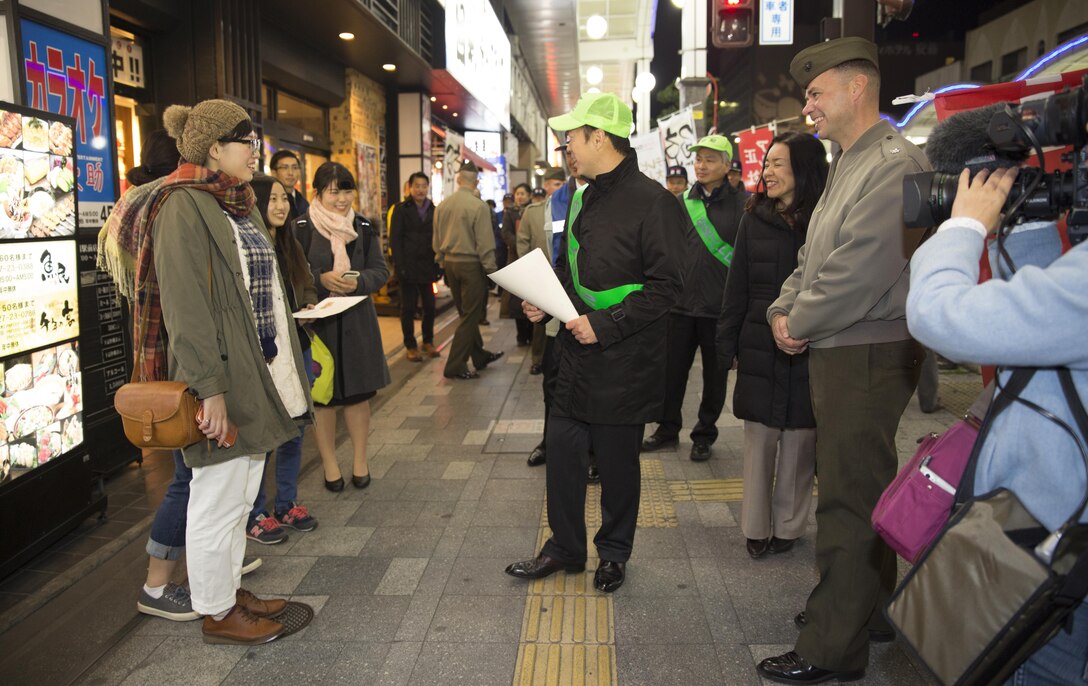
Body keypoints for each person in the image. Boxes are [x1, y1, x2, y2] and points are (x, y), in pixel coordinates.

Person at [757, 38, 930, 683]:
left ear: (857, 88)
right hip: (841, 343)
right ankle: (868, 608)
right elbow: (812, 259)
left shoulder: (893, 164)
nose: (809, 107)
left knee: (848, 501)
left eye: (816, 93)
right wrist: (783, 308)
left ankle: (832, 648)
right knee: (863, 487)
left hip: (865, 350)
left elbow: (859, 271)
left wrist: (795, 322)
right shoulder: (851, 161)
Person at [906, 167, 1088, 686]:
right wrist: (1028, 223)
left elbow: (940, 315)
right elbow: (1039, 316)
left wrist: (964, 227)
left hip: (1056, 552)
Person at [506, 92, 685, 593]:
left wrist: (604, 324)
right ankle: (564, 547)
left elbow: (669, 287)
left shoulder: (656, 203)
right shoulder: (583, 195)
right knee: (562, 456)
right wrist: (545, 300)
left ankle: (613, 553)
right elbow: (571, 269)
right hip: (573, 357)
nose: (567, 148)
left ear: (600, 137)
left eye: (572, 139)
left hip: (624, 359)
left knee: (616, 466)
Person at [153, 100, 311, 644]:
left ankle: (225, 591)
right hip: (222, 378)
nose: (256, 152)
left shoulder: (235, 203)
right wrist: (209, 391)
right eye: (247, 142)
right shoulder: (182, 206)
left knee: (242, 493)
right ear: (215, 148)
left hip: (255, 373)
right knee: (217, 496)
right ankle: (217, 613)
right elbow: (186, 308)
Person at [103, 129, 264, 623]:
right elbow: (183, 302)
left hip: (180, 362)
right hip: (185, 368)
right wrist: (207, 381)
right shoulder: (170, 206)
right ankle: (160, 584)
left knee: (196, 480)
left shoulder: (148, 203)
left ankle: (211, 576)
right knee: (191, 481)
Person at [716, 132, 827, 559]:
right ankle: (756, 527)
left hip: (811, 345)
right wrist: (726, 347)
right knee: (759, 443)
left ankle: (790, 526)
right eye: (767, 163)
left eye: (779, 163)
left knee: (801, 444)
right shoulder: (753, 217)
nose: (768, 172)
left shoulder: (826, 218)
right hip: (760, 344)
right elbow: (736, 288)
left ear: (804, 168)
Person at [642, 134, 746, 461]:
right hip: (679, 306)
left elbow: (745, 258)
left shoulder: (744, 206)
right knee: (671, 372)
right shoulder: (679, 202)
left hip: (720, 309)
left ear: (727, 165)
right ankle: (667, 429)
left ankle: (704, 433)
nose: (701, 165)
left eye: (710, 159)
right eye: (698, 159)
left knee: (715, 377)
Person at [291, 162, 390, 491]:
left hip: (357, 323)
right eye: (334, 191)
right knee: (324, 398)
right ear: (317, 193)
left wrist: (359, 280)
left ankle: (361, 462)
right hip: (319, 326)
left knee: (358, 396)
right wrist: (320, 279)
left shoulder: (362, 226)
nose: (342, 198)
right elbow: (291, 275)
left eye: (347, 190)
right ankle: (330, 465)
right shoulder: (300, 228)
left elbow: (380, 271)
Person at [243, 174, 320, 544]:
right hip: (267, 353)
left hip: (298, 346)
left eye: (284, 199)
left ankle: (286, 502)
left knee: (295, 427)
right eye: (272, 199)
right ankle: (255, 511)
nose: (280, 205)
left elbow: (306, 283)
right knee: (266, 434)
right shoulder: (249, 244)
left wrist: (308, 303)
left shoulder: (290, 243)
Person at [527, 152, 588, 469]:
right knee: (552, 376)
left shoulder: (606, 195)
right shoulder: (557, 199)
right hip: (556, 297)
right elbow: (550, 248)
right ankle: (550, 441)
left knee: (592, 380)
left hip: (593, 306)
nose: (574, 156)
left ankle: (593, 452)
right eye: (569, 150)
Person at [432, 160, 504, 379]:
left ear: (458, 180)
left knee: (465, 313)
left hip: (450, 265)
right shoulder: (478, 206)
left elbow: (436, 241)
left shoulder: (443, 205)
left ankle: (479, 355)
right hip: (471, 265)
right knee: (470, 316)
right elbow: (485, 244)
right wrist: (492, 272)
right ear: (476, 182)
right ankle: (455, 365)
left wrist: (442, 261)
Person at [518, 169, 566, 374]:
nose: (552, 188)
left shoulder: (572, 206)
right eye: (550, 184)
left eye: (557, 184)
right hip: (540, 273)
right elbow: (523, 242)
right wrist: (528, 269)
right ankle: (537, 359)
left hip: (562, 274)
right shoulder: (533, 211)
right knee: (539, 322)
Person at [389, 172, 439, 362]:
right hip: (407, 267)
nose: (420, 189)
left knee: (430, 306)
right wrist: (399, 266)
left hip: (428, 266)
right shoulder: (401, 209)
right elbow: (395, 239)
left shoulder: (434, 210)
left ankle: (428, 341)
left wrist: (439, 264)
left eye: (423, 186)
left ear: (428, 188)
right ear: (410, 187)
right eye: (416, 186)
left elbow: (438, 238)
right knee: (408, 308)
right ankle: (410, 345)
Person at [269, 149, 308, 216]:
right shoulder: (267, 201)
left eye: (295, 167)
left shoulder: (303, 202)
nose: (290, 173)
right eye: (285, 167)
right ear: (274, 173)